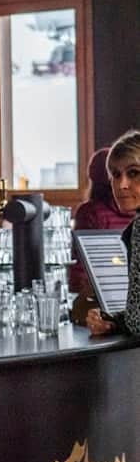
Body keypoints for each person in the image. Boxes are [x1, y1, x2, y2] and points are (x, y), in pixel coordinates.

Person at [84, 130, 140, 337]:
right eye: (116, 175)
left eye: (134, 173)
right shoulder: (135, 229)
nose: (122, 184)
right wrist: (112, 321)